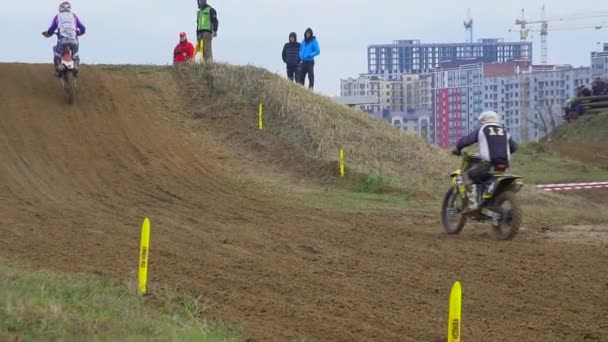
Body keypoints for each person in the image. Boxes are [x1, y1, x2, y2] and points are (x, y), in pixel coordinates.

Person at [452, 111, 518, 211]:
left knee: (467, 176)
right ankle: (486, 202)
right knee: (485, 180)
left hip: (488, 165)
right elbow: (514, 147)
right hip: (503, 166)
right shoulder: (504, 132)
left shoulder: (482, 130)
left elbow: (465, 141)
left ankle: (473, 205)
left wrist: (457, 148)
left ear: (483, 120)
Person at [42, 1, 86, 77]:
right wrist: (79, 32)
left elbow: (52, 28)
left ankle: (58, 69)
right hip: (74, 40)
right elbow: (83, 28)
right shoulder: (73, 16)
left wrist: (48, 33)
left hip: (63, 39)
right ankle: (76, 66)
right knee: (76, 54)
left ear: (60, 9)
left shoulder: (58, 16)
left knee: (57, 53)